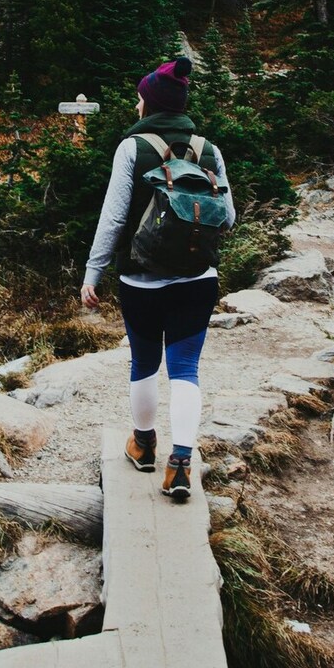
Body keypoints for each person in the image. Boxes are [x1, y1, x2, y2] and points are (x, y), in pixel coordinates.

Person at [81, 56, 234, 502]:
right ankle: (181, 465)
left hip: (141, 280)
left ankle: (144, 446)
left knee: (144, 362)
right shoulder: (209, 150)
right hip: (198, 277)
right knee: (186, 370)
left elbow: (112, 219)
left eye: (139, 96)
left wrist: (94, 271)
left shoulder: (132, 148)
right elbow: (229, 218)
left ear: (148, 101)